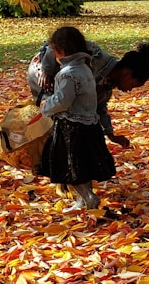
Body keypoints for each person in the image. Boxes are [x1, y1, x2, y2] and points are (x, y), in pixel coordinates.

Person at [35, 25, 116, 211]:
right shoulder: (86, 69)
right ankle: (83, 200)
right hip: (90, 125)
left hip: (71, 128)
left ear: (61, 51)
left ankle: (88, 197)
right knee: (82, 167)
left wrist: (47, 106)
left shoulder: (67, 74)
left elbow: (64, 100)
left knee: (68, 167)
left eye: (55, 52)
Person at [28, 38, 149, 147]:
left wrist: (111, 135)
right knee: (57, 114)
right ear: (126, 73)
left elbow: (98, 107)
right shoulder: (95, 56)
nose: (130, 90)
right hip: (43, 72)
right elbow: (58, 42)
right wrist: (47, 69)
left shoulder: (106, 89)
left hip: (62, 88)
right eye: (134, 85)